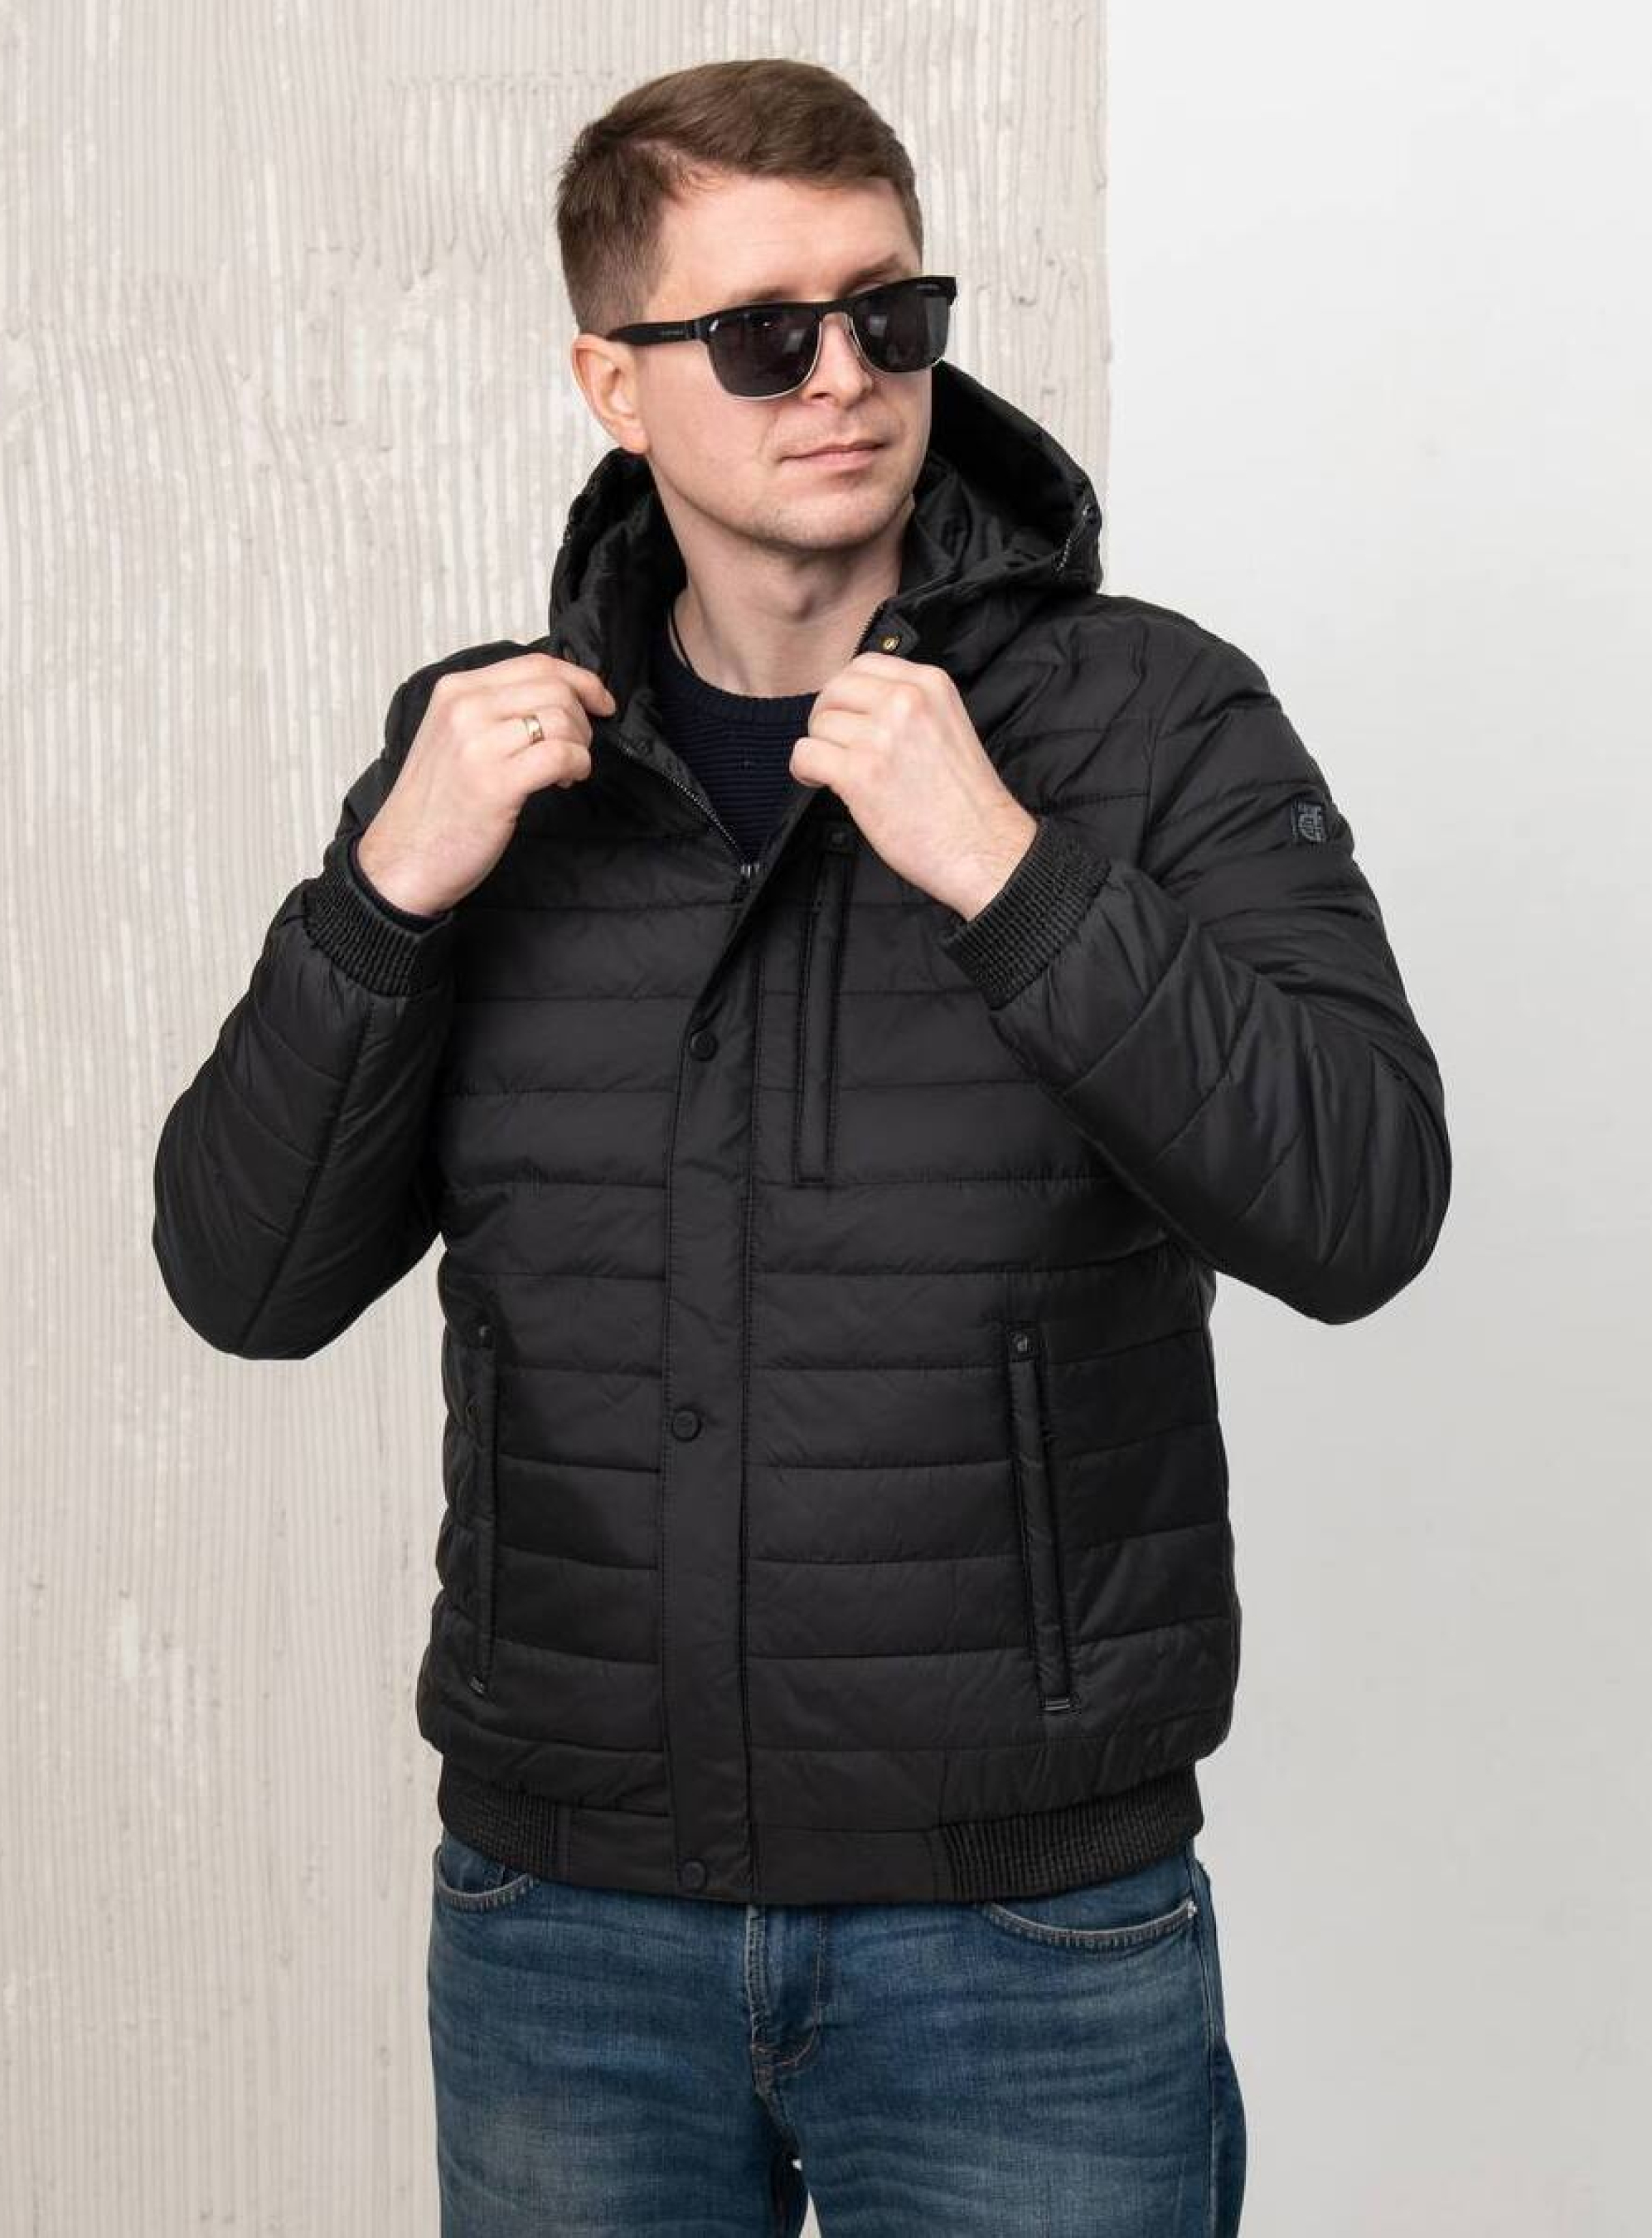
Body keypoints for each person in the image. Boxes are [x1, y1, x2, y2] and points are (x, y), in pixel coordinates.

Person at [151, 55, 1451, 2238]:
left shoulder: (1150, 721)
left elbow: (1361, 1204)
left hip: (1024, 1932)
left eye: (888, 313)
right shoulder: (484, 766)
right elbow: (245, 1278)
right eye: (764, 333)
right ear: (613, 380)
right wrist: (382, 895)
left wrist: (1013, 873)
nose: (844, 377)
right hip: (566, 1925)